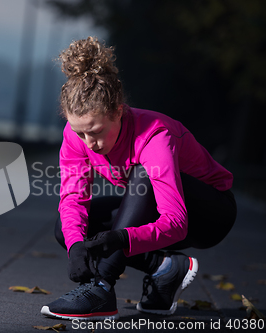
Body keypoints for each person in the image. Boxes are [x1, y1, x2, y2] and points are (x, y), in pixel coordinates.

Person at [40, 37, 237, 321]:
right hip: (153, 205)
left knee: (142, 174)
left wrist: (120, 238)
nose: (89, 142)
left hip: (209, 214)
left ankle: (101, 288)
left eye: (95, 131)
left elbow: (176, 223)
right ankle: (166, 269)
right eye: (80, 132)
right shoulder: (76, 137)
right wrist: (75, 247)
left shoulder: (155, 135)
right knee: (67, 228)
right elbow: (73, 198)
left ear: (118, 111)